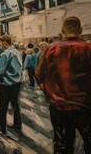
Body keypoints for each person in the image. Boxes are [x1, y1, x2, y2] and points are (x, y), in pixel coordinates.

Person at [36, 16, 91, 154]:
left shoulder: (51, 50)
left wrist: (49, 92)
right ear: (81, 30)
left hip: (59, 106)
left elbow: (39, 75)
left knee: (62, 145)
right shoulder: (88, 49)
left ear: (62, 30)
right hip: (85, 106)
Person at [0, 35, 22, 134]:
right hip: (17, 82)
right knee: (15, 104)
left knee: (3, 105)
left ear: (4, 43)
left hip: (7, 83)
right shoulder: (17, 52)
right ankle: (17, 125)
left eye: (0, 42)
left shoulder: (5, 54)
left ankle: (1, 126)